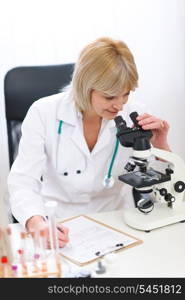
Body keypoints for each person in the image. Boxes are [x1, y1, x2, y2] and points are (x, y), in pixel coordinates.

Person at [7, 37, 170, 247]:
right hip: (57, 223)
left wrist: (161, 146)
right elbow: (22, 182)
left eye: (126, 94)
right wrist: (36, 223)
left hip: (117, 221)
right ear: (85, 87)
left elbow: (162, 189)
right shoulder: (43, 112)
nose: (120, 105)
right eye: (110, 97)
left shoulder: (135, 113)